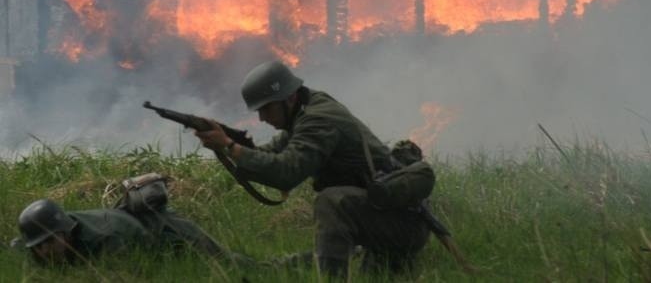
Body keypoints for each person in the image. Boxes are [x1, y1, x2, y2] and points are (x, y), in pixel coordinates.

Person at [194, 60, 431, 279]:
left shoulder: (318, 119)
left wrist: (230, 147)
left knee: (330, 201)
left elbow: (286, 172)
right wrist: (228, 144)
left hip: (401, 224)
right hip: (382, 215)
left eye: (266, 109)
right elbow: (273, 154)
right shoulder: (304, 108)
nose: (262, 118)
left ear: (288, 98)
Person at [12, 196, 247, 267]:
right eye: (38, 246)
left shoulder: (105, 242)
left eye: (49, 243)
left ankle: (282, 264)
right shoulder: (46, 237)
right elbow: (20, 245)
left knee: (228, 265)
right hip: (131, 223)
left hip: (168, 232)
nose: (44, 251)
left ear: (64, 233)